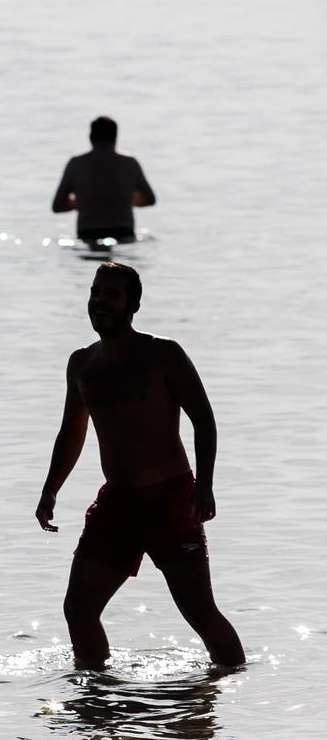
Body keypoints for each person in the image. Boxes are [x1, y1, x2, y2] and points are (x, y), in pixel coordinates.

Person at [35, 262, 243, 670]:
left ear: (133, 305)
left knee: (200, 612)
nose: (99, 302)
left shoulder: (163, 354)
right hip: (117, 504)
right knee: (78, 608)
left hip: (171, 500)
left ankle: (233, 684)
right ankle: (95, 694)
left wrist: (205, 485)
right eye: (95, 293)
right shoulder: (82, 364)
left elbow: (203, 418)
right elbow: (71, 434)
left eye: (112, 295)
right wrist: (50, 488)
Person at [52, 116, 155, 244]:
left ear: (90, 137)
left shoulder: (76, 164)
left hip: (88, 233)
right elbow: (150, 199)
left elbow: (57, 205)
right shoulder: (130, 163)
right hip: (123, 233)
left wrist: (83, 202)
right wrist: (124, 200)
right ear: (115, 137)